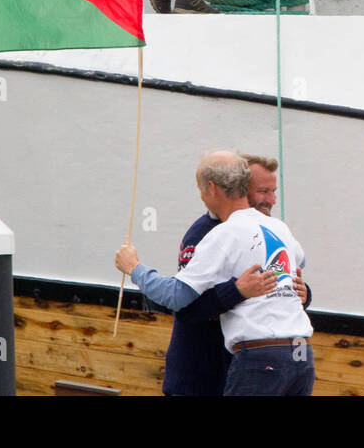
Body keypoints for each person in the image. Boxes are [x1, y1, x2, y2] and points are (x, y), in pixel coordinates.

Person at [115, 151, 314, 396]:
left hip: (260, 361)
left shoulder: (223, 233)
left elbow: (176, 297)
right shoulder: (279, 227)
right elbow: (297, 263)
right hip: (301, 356)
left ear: (211, 188)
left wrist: (134, 267)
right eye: (264, 191)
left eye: (200, 190)